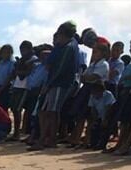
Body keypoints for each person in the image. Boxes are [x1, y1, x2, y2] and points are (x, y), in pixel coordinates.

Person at [30, 22, 78, 151]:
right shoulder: (61, 46)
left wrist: (48, 84)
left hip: (60, 83)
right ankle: (47, 138)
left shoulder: (69, 47)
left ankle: (48, 139)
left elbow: (60, 69)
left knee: (52, 111)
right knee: (46, 110)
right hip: (54, 82)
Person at [86, 82, 116, 149]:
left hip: (109, 115)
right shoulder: (92, 96)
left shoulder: (108, 95)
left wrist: (105, 119)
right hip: (99, 115)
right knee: (95, 128)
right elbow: (93, 108)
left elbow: (109, 108)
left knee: (105, 129)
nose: (94, 93)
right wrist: (95, 119)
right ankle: (93, 143)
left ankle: (102, 145)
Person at [0, 44, 15, 109]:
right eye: (4, 52)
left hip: (5, 88)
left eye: (8, 52)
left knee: (3, 108)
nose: (6, 54)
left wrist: (0, 90)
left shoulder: (12, 63)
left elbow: (9, 77)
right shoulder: (0, 63)